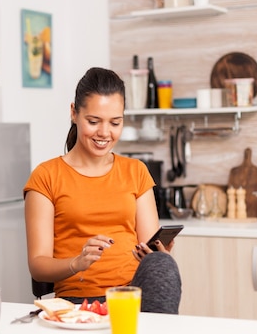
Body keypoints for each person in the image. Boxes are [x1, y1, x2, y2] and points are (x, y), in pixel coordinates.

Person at [23, 67, 182, 314]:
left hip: (131, 298)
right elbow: (38, 265)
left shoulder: (136, 171)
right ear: (74, 113)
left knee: (163, 264)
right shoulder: (46, 176)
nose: (104, 133)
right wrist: (77, 263)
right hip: (77, 303)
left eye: (115, 122)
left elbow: (149, 245)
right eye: (94, 121)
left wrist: (156, 253)